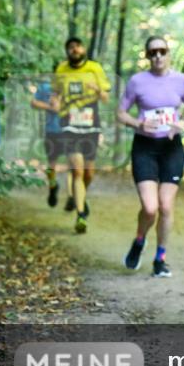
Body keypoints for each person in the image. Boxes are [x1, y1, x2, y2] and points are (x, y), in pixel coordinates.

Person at [116, 36, 184, 278]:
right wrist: (138, 123)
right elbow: (121, 113)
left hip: (171, 148)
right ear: (147, 56)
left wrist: (182, 123)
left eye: (162, 51)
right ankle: (139, 240)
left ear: (168, 53)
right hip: (144, 147)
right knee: (150, 208)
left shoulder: (181, 81)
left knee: (165, 206)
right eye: (152, 52)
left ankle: (160, 258)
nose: (158, 56)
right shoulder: (137, 82)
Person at [51, 36, 110, 234]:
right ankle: (81, 214)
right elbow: (56, 93)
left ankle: (80, 197)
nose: (74, 50)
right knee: (76, 171)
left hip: (91, 123)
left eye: (77, 46)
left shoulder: (95, 68)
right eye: (70, 47)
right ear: (67, 51)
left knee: (88, 173)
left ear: (83, 49)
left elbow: (106, 98)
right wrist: (56, 102)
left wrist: (97, 90)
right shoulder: (61, 69)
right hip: (69, 123)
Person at [31, 63, 71, 207]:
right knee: (51, 164)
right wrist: (50, 107)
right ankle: (52, 187)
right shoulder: (46, 87)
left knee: (71, 163)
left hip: (69, 131)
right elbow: (33, 102)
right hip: (52, 131)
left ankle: (72, 195)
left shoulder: (72, 88)